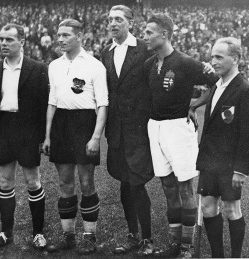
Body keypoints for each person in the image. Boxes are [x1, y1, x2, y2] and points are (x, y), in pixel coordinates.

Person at [143, 13, 217, 258]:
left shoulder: (185, 62)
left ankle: (187, 246)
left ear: (164, 34)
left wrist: (194, 105)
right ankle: (175, 243)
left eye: (149, 32)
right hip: (155, 127)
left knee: (185, 187)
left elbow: (214, 84)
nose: (145, 36)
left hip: (178, 128)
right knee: (167, 186)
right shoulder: (149, 64)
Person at [42, 19, 108, 255]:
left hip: (84, 125)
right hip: (61, 124)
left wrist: (95, 137)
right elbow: (51, 102)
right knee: (64, 182)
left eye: (66, 35)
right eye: (58, 35)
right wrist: (47, 136)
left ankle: (89, 237)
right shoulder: (54, 65)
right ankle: (68, 236)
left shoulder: (94, 66)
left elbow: (102, 105)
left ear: (80, 36)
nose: (60, 39)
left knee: (86, 182)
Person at [0, 23, 49, 250]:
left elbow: (43, 106)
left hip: (28, 132)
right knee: (4, 182)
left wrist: (43, 137)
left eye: (9, 39)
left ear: (22, 41)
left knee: (33, 181)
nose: (3, 43)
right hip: (4, 130)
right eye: (1, 39)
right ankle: (6, 233)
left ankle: (38, 233)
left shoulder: (38, 67)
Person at [196, 37, 249, 258]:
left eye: (219, 57)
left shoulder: (245, 91)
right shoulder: (217, 86)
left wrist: (241, 170)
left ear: (235, 59)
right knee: (208, 207)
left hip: (230, 164)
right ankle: (217, 255)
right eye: (212, 56)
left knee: (232, 210)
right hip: (210, 161)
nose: (213, 61)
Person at [100, 5, 154, 256]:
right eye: (110, 19)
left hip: (139, 128)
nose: (113, 23)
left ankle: (148, 238)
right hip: (116, 129)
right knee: (125, 181)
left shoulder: (144, 48)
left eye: (118, 19)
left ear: (130, 23)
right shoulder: (105, 52)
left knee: (137, 182)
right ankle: (133, 234)